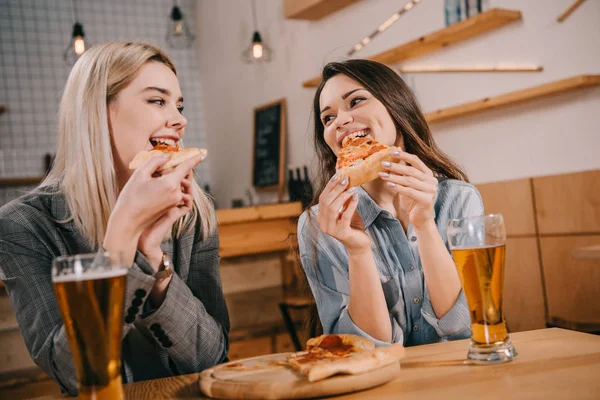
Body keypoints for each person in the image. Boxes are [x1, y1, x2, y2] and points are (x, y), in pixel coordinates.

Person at [0, 42, 229, 394]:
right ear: (97, 111)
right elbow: (73, 370)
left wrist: (156, 265)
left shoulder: (193, 211)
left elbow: (213, 358)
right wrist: (120, 243)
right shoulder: (22, 225)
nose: (180, 120)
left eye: (179, 105)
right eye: (157, 100)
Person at [298, 59, 483, 347]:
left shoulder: (460, 199)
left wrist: (424, 225)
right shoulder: (320, 223)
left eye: (355, 101)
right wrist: (358, 249)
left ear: (396, 106)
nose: (340, 121)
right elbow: (359, 348)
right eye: (328, 118)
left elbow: (465, 327)